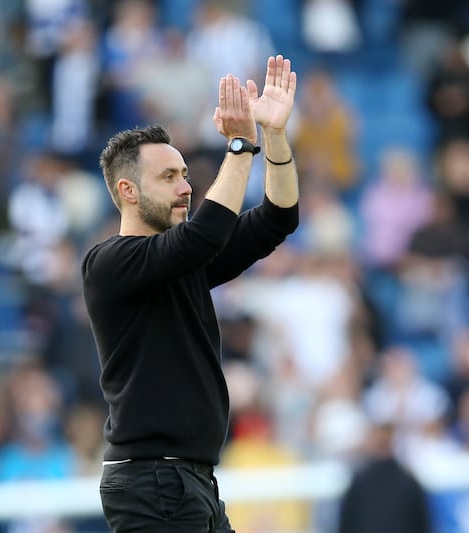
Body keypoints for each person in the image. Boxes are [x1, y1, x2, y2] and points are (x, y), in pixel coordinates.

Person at [81, 54, 299, 532]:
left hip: (189, 480)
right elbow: (205, 234)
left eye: (184, 174)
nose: (185, 187)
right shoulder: (109, 263)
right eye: (168, 178)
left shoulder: (185, 263)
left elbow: (279, 216)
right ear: (128, 191)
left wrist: (274, 136)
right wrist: (241, 146)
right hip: (153, 481)